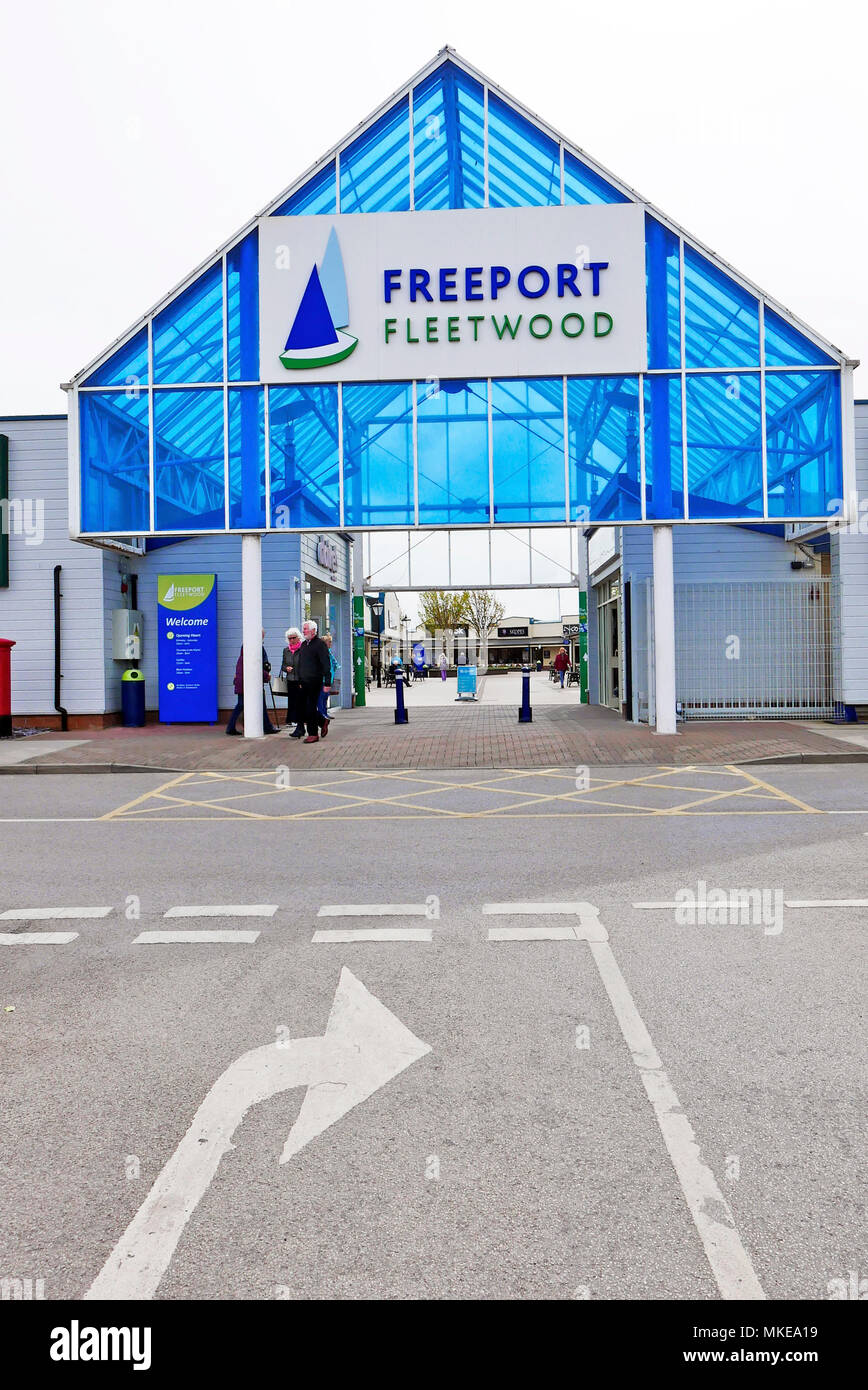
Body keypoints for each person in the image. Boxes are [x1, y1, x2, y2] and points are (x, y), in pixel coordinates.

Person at [226, 629, 279, 735]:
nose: (263, 637)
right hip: (249, 681)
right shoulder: (256, 648)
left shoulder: (244, 649)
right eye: (262, 635)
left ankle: (231, 727)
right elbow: (256, 665)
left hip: (241, 681)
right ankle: (266, 726)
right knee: (251, 703)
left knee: (242, 704)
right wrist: (266, 675)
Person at [298, 619, 332, 743]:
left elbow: (326, 664)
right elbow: (301, 663)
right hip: (304, 682)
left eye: (306, 629)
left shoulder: (319, 644)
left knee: (310, 708)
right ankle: (323, 721)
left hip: (315, 681)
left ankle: (313, 734)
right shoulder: (303, 645)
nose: (303, 631)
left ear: (313, 631)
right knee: (303, 708)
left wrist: (327, 682)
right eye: (303, 629)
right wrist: (300, 680)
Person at [279, 627, 304, 737]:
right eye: (289, 638)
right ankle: (300, 727)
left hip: (300, 681)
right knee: (293, 705)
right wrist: (286, 668)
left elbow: (305, 665)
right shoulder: (286, 650)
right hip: (290, 681)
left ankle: (301, 727)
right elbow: (283, 665)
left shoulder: (303, 649)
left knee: (301, 705)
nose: (292, 640)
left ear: (298, 638)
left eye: (293, 638)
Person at [317, 632, 340, 725]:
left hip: (328, 680)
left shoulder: (329, 652)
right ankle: (322, 714)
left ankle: (325, 713)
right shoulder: (322, 653)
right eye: (329, 642)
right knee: (321, 697)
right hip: (323, 680)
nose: (331, 643)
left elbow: (334, 663)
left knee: (325, 697)